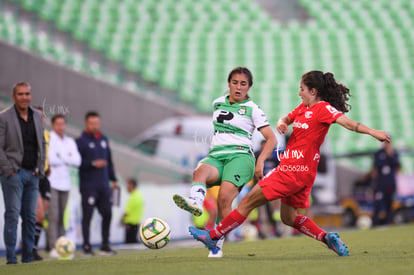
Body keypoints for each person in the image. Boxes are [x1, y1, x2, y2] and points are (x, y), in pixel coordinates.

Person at [188, 71, 391, 257]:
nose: (299, 92)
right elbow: (286, 118)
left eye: (302, 89)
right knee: (289, 217)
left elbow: (348, 123)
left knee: (246, 203)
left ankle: (213, 236)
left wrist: (374, 133)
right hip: (301, 174)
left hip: (291, 171)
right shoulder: (304, 108)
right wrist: (282, 123)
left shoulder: (324, 109)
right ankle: (327, 238)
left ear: (313, 91)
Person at [173, 67, 277, 257]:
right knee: (199, 172)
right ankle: (196, 202)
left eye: (243, 84)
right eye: (235, 83)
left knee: (224, 199)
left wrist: (261, 161)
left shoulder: (253, 109)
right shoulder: (217, 103)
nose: (238, 87)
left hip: (240, 157)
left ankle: (217, 244)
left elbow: (272, 139)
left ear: (249, 87)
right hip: (217, 156)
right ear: (229, 84)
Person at [0, 82, 45, 264]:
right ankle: (11, 258)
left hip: (32, 174)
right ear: (14, 97)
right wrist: (8, 170)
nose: (24, 97)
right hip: (13, 174)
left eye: (27, 94)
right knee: (12, 215)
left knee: (30, 217)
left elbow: (41, 143)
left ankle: (28, 257)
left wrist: (40, 168)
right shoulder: (4, 117)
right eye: (20, 94)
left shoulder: (37, 115)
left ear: (31, 96)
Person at [76, 111, 118, 256]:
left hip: (104, 185)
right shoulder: (80, 141)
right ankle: (86, 246)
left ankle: (105, 245)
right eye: (92, 123)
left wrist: (114, 179)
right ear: (86, 123)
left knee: (107, 213)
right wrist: (93, 163)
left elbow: (109, 162)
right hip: (88, 186)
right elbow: (77, 163)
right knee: (87, 215)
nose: (95, 126)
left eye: (97, 123)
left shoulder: (104, 139)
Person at [47, 114, 81, 258]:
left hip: (65, 184)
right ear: (53, 125)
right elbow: (51, 159)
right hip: (52, 182)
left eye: (62, 124)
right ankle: (52, 247)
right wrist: (67, 158)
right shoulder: (49, 138)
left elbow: (78, 161)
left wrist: (62, 157)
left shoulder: (70, 141)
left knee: (62, 217)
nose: (60, 127)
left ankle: (61, 247)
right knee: (53, 216)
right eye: (57, 124)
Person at [32, 106, 51, 261]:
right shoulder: (29, 135)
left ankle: (33, 248)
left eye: (42, 116)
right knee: (36, 214)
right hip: (33, 176)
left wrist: (48, 166)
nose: (41, 119)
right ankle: (29, 248)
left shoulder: (46, 135)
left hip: (45, 177)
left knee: (42, 216)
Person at [371, 141, 401, 226]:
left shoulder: (394, 153)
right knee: (378, 202)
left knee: (389, 203)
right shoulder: (378, 153)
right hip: (381, 183)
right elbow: (376, 166)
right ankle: (375, 222)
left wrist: (390, 155)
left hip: (390, 183)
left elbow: (397, 165)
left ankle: (388, 222)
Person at [121, 178, 144, 243]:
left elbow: (127, 212)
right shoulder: (138, 195)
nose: (127, 187)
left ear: (132, 185)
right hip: (135, 223)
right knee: (133, 242)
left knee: (129, 244)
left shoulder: (133, 197)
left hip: (130, 224)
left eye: (128, 185)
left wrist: (122, 220)